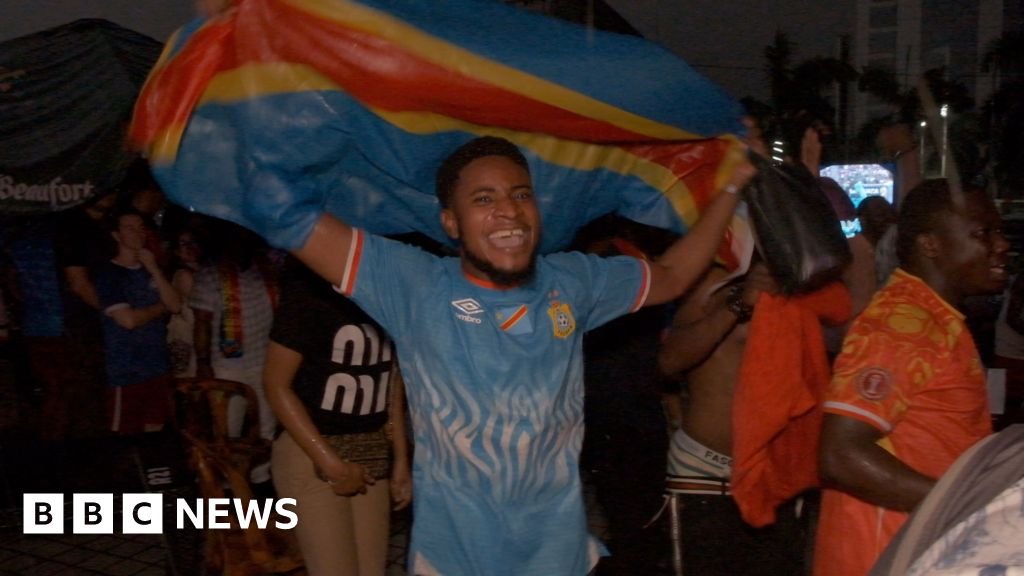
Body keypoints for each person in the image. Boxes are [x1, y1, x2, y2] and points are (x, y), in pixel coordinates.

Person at [287, 136, 753, 575]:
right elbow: (286, 213)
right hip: (456, 560)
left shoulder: (574, 282)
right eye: (483, 199)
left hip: (559, 557)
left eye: (520, 194)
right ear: (450, 222)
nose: (508, 210)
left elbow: (671, 275)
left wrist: (732, 187)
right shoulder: (413, 283)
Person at [814, 179, 1010, 576]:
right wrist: (968, 507)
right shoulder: (901, 325)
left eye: (999, 231)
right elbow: (841, 455)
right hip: (884, 555)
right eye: (982, 233)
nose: (1001, 245)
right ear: (931, 244)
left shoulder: (935, 316)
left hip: (921, 549)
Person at [658, 261, 810, 575]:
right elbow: (669, 361)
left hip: (774, 475)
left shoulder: (810, 278)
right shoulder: (714, 279)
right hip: (706, 474)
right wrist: (741, 303)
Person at [266, 259, 411, 575]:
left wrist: (400, 459)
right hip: (309, 446)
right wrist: (331, 464)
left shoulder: (389, 296)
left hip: (370, 446)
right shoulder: (310, 292)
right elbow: (276, 385)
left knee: (371, 569)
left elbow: (390, 386)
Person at [191, 221, 278, 484]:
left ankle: (260, 488)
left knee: (265, 430)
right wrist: (204, 364)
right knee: (225, 433)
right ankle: (225, 491)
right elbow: (202, 321)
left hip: (264, 361)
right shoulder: (211, 273)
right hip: (227, 366)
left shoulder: (264, 270)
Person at [94, 209, 181, 434]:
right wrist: (160, 308)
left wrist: (153, 267)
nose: (137, 233)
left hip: (157, 366)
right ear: (116, 235)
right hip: (126, 370)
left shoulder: (150, 270)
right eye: (129, 228)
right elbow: (128, 320)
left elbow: (176, 305)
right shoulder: (109, 274)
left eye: (141, 228)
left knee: (155, 430)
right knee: (125, 436)